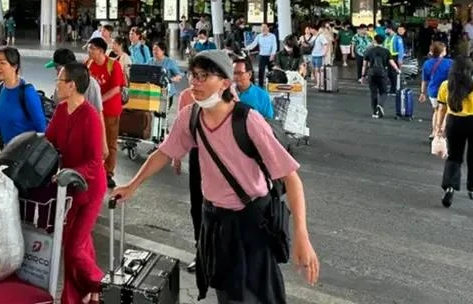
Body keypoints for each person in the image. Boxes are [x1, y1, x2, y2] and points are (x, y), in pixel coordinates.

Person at [113, 50, 319, 303]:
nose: (195, 82)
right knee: (227, 293)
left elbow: (291, 178)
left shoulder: (248, 120)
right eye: (193, 76)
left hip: (252, 222)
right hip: (216, 222)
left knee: (261, 296)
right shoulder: (191, 116)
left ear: (224, 82)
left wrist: (302, 236)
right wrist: (132, 186)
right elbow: (164, 152)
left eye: (203, 77)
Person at [46, 62, 106, 304]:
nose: (56, 84)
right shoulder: (61, 110)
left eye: (60, 81)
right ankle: (75, 298)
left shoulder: (91, 115)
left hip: (90, 188)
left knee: (74, 248)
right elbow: (49, 140)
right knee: (76, 245)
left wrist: (71, 172)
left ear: (71, 86)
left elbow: (95, 160)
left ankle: (98, 283)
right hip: (68, 187)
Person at [435, 56, 473, 207]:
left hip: (454, 123)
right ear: (470, 70)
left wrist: (439, 128)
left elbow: (442, 109)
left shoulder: (446, 85)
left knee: (454, 157)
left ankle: (450, 187)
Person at [0, 47, 46, 158]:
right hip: (7, 152)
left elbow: (42, 129)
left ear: (14, 66)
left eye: (2, 63)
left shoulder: (27, 91)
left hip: (27, 156)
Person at [86, 37, 126, 189]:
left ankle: (108, 173)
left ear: (101, 51)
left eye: (92, 49)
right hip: (92, 110)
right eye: (89, 48)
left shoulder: (113, 65)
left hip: (110, 110)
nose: (89, 51)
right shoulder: (88, 64)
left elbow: (116, 89)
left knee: (109, 141)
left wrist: (98, 100)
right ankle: (93, 169)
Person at [419, 42, 452, 139]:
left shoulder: (427, 63)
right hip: (446, 90)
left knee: (436, 111)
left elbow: (424, 79)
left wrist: (422, 93)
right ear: (443, 52)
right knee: (445, 112)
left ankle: (434, 132)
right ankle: (441, 132)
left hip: (432, 91)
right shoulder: (449, 62)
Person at [361, 35, 399, 119]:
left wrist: (363, 76)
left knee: (373, 93)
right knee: (384, 91)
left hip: (371, 73)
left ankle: (375, 112)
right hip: (382, 73)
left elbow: (364, 65)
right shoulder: (386, 51)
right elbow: (391, 62)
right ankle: (380, 105)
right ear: (383, 41)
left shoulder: (369, 51)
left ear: (374, 41)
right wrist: (397, 69)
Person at [150, 41, 184, 109]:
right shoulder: (150, 61)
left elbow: (179, 76)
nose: (154, 52)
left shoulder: (169, 62)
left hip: (167, 93)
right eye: (153, 50)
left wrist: (169, 80)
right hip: (153, 92)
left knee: (162, 114)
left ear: (163, 51)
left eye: (157, 50)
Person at [384, 24, 405, 94]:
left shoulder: (398, 38)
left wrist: (400, 59)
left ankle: (396, 89)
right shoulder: (387, 38)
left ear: (390, 29)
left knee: (394, 74)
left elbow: (401, 49)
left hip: (394, 58)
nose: (385, 30)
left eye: (386, 29)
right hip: (388, 58)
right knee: (390, 74)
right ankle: (392, 89)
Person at [310, 24, 329, 89]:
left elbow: (326, 44)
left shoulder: (321, 36)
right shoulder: (312, 37)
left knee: (318, 70)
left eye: (310, 29)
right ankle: (318, 83)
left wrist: (325, 53)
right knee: (315, 70)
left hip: (319, 55)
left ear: (314, 29)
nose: (310, 31)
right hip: (313, 55)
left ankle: (319, 84)